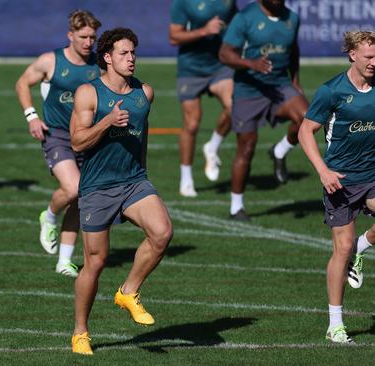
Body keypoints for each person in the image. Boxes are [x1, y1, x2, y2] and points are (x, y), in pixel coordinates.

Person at [69, 28, 173, 355]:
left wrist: (142, 173)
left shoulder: (145, 93)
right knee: (95, 263)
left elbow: (141, 138)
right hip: (97, 187)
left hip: (133, 182)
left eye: (134, 53)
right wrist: (107, 122)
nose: (131, 59)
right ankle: (80, 332)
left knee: (162, 233)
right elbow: (76, 141)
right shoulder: (89, 93)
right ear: (108, 58)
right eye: (125, 54)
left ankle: (128, 291)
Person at [298, 31, 375, 344]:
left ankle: (363, 246)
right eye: (368, 56)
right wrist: (322, 170)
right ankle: (335, 324)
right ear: (352, 56)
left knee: (351, 247)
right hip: (339, 181)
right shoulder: (332, 90)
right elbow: (305, 131)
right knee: (341, 250)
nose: (373, 62)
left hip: (371, 176)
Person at [15, 10, 101, 277]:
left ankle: (64, 261)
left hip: (87, 137)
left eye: (93, 37)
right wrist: (32, 117)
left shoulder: (99, 64)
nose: (89, 42)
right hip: (57, 135)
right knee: (73, 189)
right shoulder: (51, 60)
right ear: (70, 35)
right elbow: (22, 83)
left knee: (82, 197)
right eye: (83, 37)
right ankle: (49, 216)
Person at [219, 0, 309, 221]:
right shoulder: (245, 17)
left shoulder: (292, 18)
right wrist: (250, 64)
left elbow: (293, 49)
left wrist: (295, 80)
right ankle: (236, 207)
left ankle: (280, 150)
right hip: (248, 89)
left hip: (280, 84)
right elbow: (224, 54)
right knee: (246, 148)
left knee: (309, 119)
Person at [169, 0, 236, 197]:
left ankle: (212, 147)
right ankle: (186, 179)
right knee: (192, 123)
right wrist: (204, 31)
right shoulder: (182, 3)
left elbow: (235, 22)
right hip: (191, 68)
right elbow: (173, 37)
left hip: (220, 66)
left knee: (236, 106)